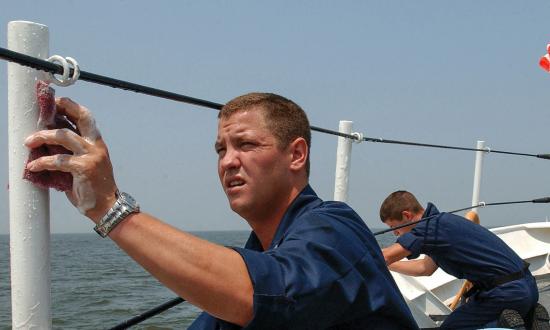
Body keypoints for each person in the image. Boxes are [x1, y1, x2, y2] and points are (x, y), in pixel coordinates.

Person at [24, 93, 418, 329]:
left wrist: (108, 207)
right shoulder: (261, 253)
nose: (228, 161)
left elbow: (262, 293)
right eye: (220, 150)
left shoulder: (335, 227)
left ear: (296, 154)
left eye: (245, 145)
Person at [380, 190, 541, 329]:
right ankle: (525, 323)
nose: (396, 234)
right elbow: (424, 267)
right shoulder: (440, 226)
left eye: (394, 228)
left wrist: (373, 256)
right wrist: (388, 265)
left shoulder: (428, 229)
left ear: (407, 215)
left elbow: (385, 255)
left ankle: (503, 326)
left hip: (504, 294)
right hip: (526, 287)